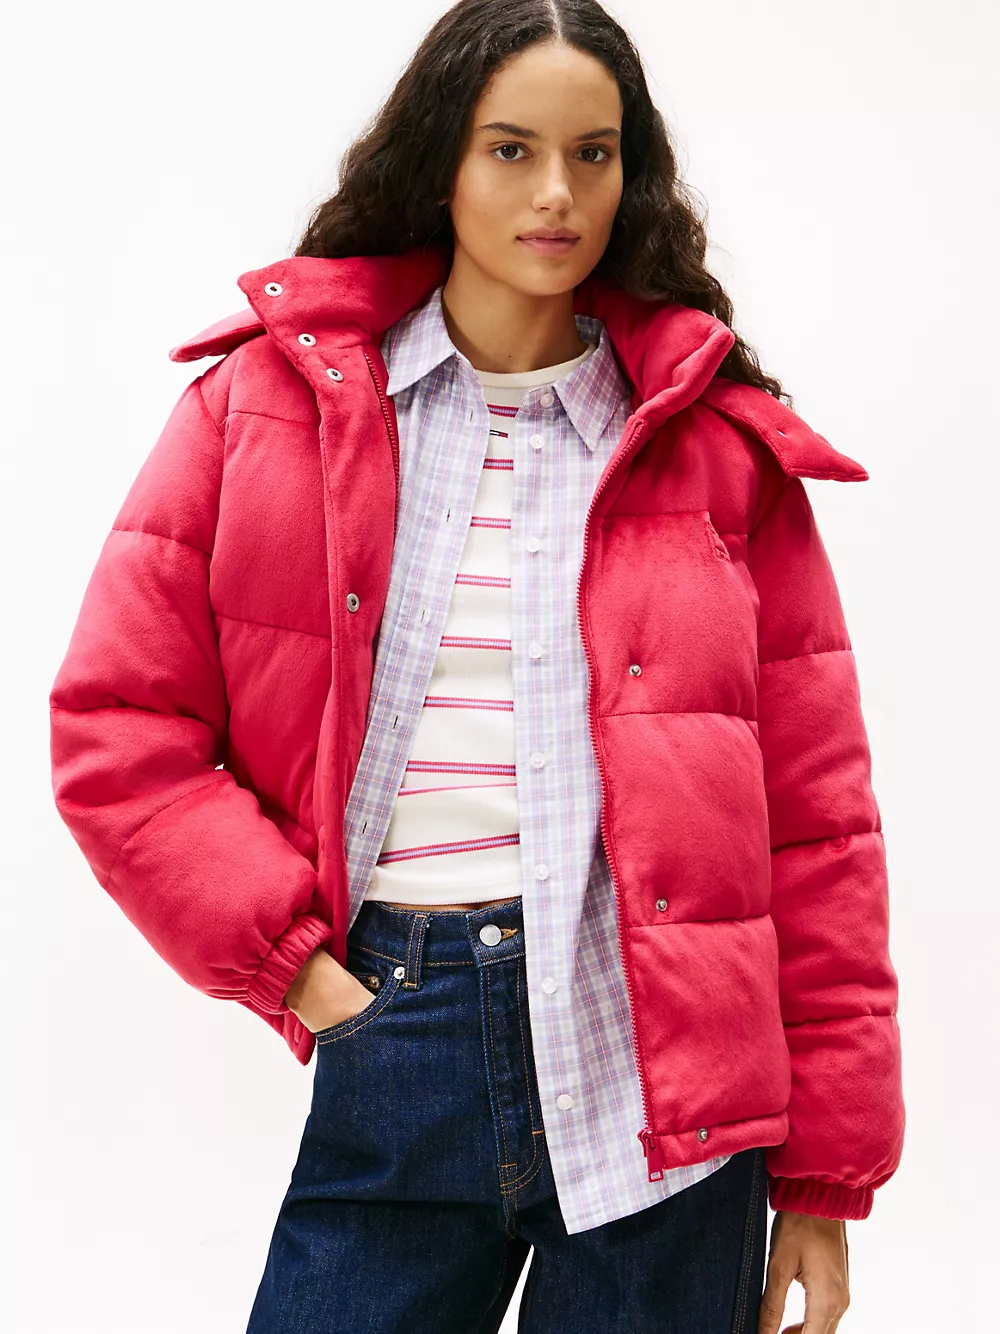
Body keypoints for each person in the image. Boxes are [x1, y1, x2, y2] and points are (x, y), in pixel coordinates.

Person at [48, 1, 905, 1330]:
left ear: (630, 175)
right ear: (442, 157)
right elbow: (119, 729)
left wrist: (824, 1184)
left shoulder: (715, 449)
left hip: (671, 1072)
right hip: (402, 1023)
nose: (557, 192)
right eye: (512, 149)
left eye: (593, 154)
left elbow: (819, 829)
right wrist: (295, 964)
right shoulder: (261, 409)